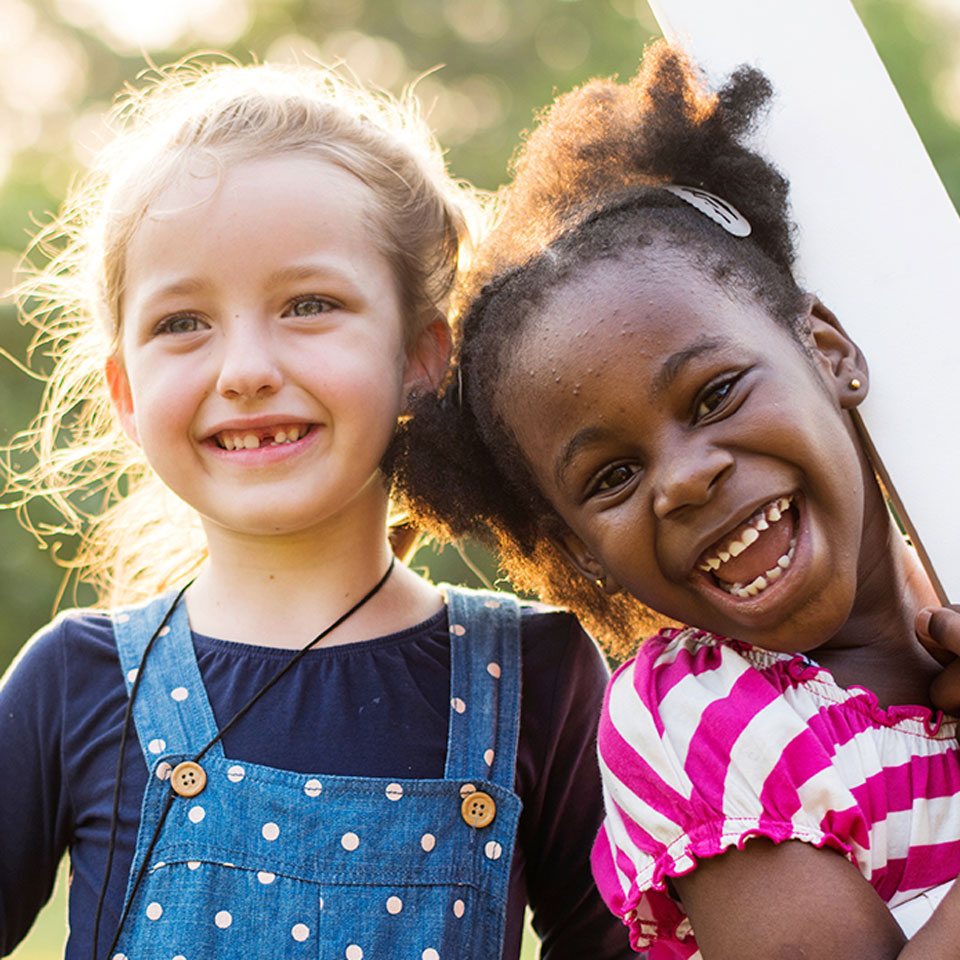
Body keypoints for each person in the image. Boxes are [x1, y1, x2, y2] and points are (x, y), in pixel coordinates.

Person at [0, 59, 633, 960]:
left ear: (421, 353)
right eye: (183, 321)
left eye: (309, 304)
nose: (246, 368)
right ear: (127, 393)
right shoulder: (79, 681)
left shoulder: (542, 676)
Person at [391, 41, 960, 959]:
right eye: (611, 478)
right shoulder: (700, 716)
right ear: (578, 551)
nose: (687, 477)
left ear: (829, 352)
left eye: (714, 394)